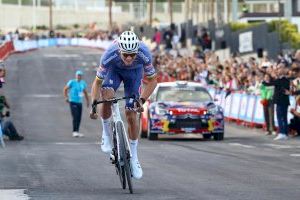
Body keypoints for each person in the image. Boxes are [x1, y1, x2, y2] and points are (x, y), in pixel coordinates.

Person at [90, 31, 157, 180]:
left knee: (132, 115)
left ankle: (134, 157)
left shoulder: (144, 53)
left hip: (134, 75)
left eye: (132, 55)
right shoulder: (110, 54)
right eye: (125, 54)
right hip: (114, 72)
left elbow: (153, 81)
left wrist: (142, 100)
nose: (128, 58)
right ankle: (106, 134)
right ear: (120, 50)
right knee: (106, 95)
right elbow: (97, 82)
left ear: (137, 52)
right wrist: (94, 104)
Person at [63, 70, 89, 137]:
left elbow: (85, 92)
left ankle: (77, 131)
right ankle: (74, 131)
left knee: (79, 117)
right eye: (78, 75)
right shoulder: (72, 82)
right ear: (76, 75)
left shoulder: (83, 83)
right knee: (75, 116)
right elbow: (65, 89)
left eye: (80, 75)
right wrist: (66, 97)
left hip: (79, 102)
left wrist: (88, 101)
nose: (79, 76)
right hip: (73, 101)